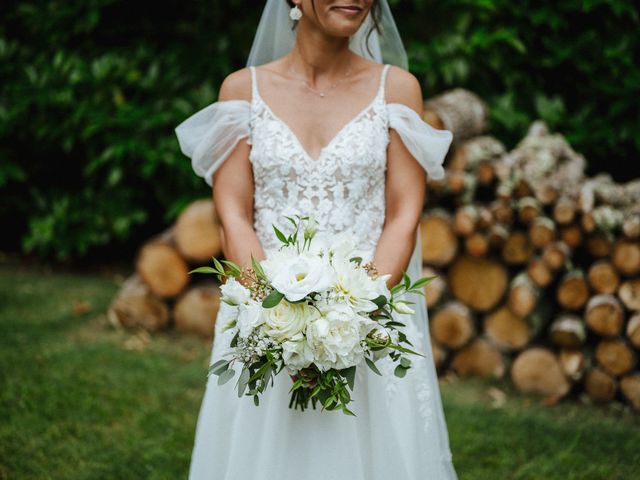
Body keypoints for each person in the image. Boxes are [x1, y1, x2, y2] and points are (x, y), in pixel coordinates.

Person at [175, 1, 458, 478]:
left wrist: (357, 313)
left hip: (368, 316)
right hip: (262, 314)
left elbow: (404, 214)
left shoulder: (399, 90)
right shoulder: (243, 90)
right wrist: (275, 314)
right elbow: (233, 214)